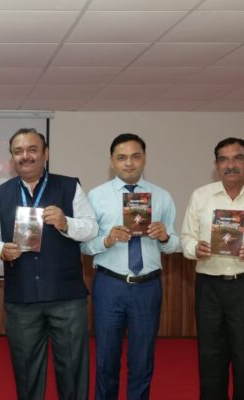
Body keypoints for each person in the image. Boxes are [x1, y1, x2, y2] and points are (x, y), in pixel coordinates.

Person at [0, 128, 97, 400]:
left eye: (32, 150)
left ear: (46, 153)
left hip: (66, 298)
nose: (26, 156)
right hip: (21, 299)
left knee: (73, 370)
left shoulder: (70, 187)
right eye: (18, 151)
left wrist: (66, 222)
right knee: (26, 372)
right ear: (12, 157)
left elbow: (91, 228)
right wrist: (2, 250)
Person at [81, 133, 180, 399]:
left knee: (142, 360)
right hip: (109, 285)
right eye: (122, 157)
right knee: (106, 359)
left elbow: (175, 244)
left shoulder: (162, 196)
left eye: (135, 156)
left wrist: (165, 237)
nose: (129, 163)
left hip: (147, 287)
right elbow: (84, 246)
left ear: (144, 159)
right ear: (111, 161)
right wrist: (107, 239)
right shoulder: (96, 196)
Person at [181, 137, 244, 400]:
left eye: (238, 158)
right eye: (223, 159)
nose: (231, 165)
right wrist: (195, 248)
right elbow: (186, 237)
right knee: (210, 357)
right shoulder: (201, 195)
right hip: (209, 287)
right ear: (216, 165)